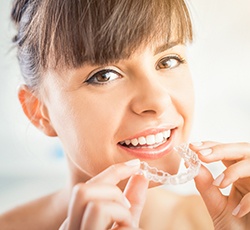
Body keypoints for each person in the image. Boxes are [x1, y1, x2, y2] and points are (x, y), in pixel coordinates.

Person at [0, 0, 250, 229]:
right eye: (104, 75)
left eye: (168, 61)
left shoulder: (234, 221)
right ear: (39, 112)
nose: (157, 101)